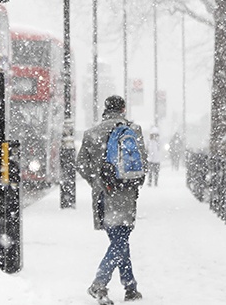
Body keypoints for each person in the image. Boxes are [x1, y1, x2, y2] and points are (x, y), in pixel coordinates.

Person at [77, 95, 146, 303]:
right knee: (121, 240)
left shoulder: (91, 134)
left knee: (118, 240)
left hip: (103, 195)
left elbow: (81, 163)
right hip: (127, 194)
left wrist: (97, 181)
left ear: (105, 109)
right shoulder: (134, 130)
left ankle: (128, 286)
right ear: (123, 109)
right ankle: (104, 284)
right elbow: (143, 163)